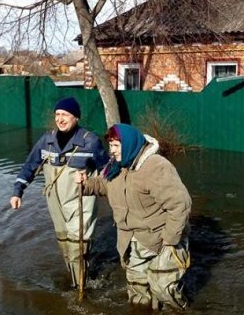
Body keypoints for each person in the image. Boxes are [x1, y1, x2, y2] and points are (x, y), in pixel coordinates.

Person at [76, 123, 192, 310]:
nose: (112, 151)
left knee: (164, 290)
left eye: (117, 145)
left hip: (162, 239)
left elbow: (180, 204)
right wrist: (86, 185)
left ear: (129, 144)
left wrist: (170, 240)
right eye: (111, 145)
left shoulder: (156, 167)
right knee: (138, 290)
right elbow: (104, 185)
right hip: (132, 239)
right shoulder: (116, 166)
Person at [10, 97, 108, 289]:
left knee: (77, 247)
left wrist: (116, 193)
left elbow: (107, 172)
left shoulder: (90, 142)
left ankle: (82, 287)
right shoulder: (47, 141)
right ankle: (77, 281)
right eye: (57, 114)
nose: (60, 119)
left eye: (65, 114)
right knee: (65, 244)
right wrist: (17, 192)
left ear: (76, 117)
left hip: (81, 201)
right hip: (55, 202)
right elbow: (30, 166)